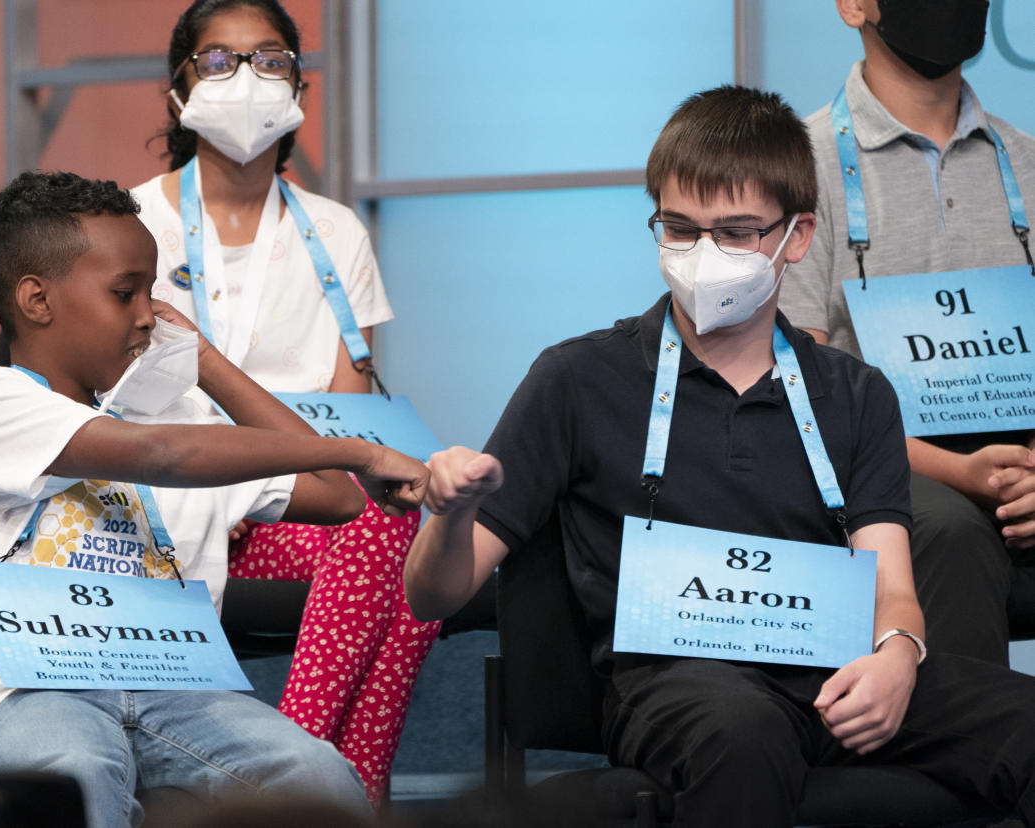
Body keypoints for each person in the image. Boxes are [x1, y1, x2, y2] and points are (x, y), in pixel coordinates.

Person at [403, 86, 1035, 826]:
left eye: (735, 234)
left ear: (796, 238)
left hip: (834, 675)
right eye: (680, 228)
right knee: (743, 733)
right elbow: (432, 596)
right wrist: (449, 517)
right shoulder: (577, 379)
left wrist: (898, 657)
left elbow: (893, 584)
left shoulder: (854, 392)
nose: (703, 256)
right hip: (680, 687)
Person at [0, 170, 430, 828]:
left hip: (177, 689)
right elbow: (163, 455)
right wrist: (359, 449)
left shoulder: (183, 408)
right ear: (36, 300)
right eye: (123, 292)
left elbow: (334, 498)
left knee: (318, 777)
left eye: (150, 291)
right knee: (78, 777)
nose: (147, 313)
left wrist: (208, 362)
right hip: (30, 695)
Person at [128, 0, 439, 803]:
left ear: (298, 85)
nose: (246, 78)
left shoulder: (336, 232)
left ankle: (291, 793)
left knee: (398, 538)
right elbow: (110, 405)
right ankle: (325, 796)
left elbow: (350, 415)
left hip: (297, 509)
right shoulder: (127, 224)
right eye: (220, 61)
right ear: (178, 90)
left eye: (269, 60)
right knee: (400, 565)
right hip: (168, 507)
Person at [780, 0, 1035, 664]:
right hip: (877, 463)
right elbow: (800, 385)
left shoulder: (1027, 162)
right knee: (948, 532)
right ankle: (975, 761)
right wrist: (960, 471)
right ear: (853, 6)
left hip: (1019, 457)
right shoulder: (800, 168)